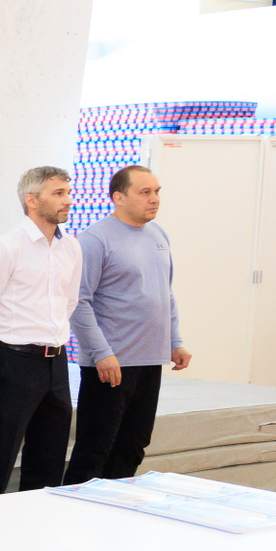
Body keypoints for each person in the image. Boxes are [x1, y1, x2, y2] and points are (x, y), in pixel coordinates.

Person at [64, 166, 191, 483]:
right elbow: (78, 302)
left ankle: (115, 506)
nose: (154, 199)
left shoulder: (159, 235)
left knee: (133, 446)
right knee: (95, 450)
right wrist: (102, 353)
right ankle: (77, 507)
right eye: (145, 192)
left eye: (157, 191)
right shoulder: (94, 240)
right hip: (111, 364)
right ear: (118, 197)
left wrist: (175, 341)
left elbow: (165, 293)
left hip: (150, 360)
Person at [0, 166, 83, 496]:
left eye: (68, 192)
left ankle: (39, 522)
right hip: (14, 361)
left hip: (56, 362)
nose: (68, 200)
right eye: (58, 193)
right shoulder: (6, 247)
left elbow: (69, 302)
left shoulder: (71, 247)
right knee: (1, 453)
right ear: (32, 200)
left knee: (50, 456)